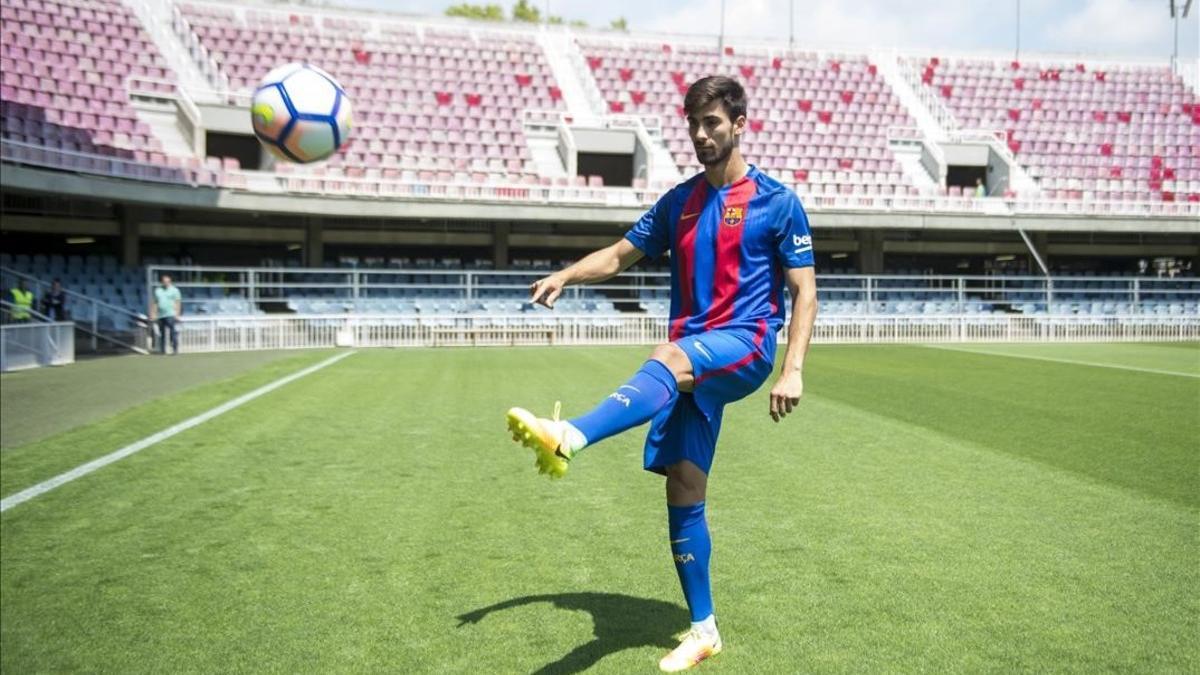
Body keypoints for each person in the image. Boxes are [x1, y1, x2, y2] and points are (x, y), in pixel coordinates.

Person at [505, 76, 818, 672]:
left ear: (739, 124)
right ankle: (704, 630)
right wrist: (567, 275)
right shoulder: (681, 201)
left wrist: (792, 369)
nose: (701, 135)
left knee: (669, 355)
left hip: (746, 344)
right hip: (694, 352)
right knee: (683, 487)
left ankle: (568, 436)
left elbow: (804, 293)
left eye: (713, 124)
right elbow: (620, 253)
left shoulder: (778, 202)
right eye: (694, 125)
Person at [149, 273, 182, 354]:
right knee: (162, 334)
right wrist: (153, 314)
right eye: (164, 281)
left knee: (173, 332)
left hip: (171, 314)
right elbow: (155, 303)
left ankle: (175, 349)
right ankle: (163, 350)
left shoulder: (175, 290)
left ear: (170, 281)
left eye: (167, 281)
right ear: (162, 282)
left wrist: (177, 314)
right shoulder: (158, 291)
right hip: (161, 315)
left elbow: (178, 302)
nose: (166, 283)